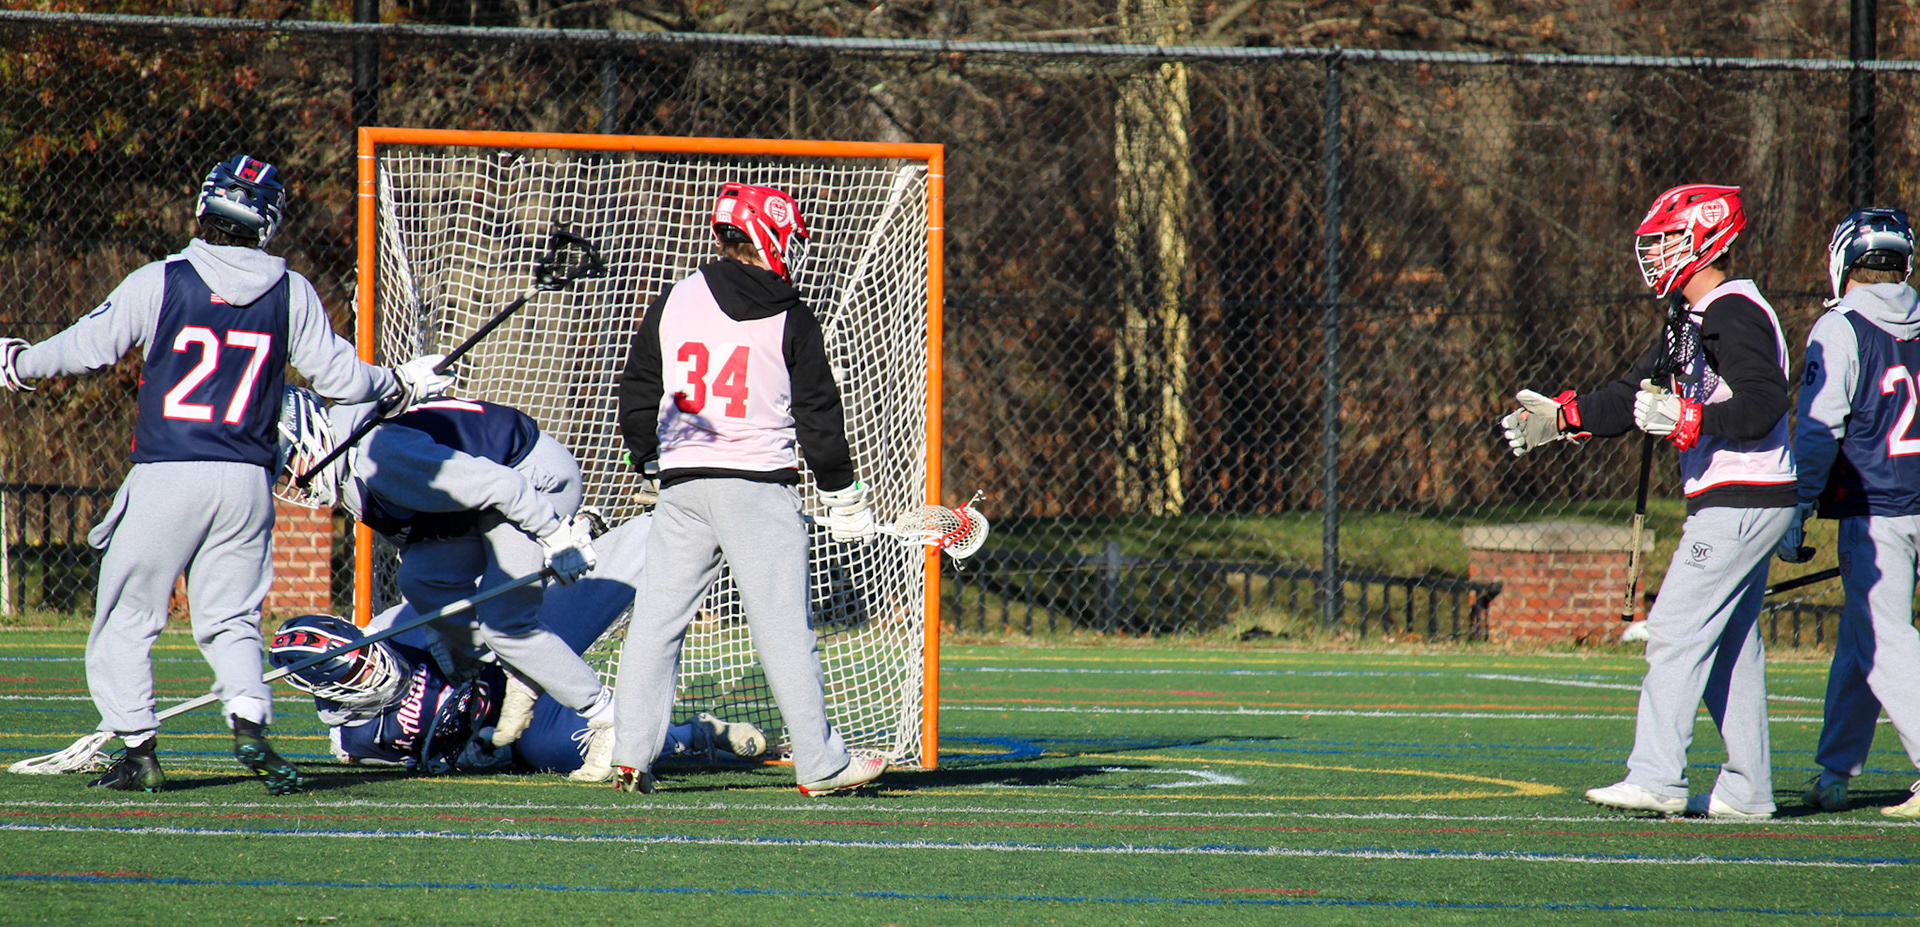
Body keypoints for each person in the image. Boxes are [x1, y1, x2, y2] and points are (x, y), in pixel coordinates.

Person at [0, 155, 450, 795]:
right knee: (232, 619)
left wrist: (19, 363)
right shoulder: (291, 290)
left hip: (168, 472)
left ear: (205, 206)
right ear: (267, 223)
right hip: (245, 482)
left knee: (128, 617)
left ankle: (139, 751)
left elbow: (86, 347)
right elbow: (343, 379)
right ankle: (249, 721)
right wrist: (398, 382)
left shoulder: (161, 279)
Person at [1500, 184, 1796, 819]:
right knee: (1730, 646)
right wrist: (1564, 417)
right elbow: (1632, 394)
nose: (1655, 254)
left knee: (1674, 631)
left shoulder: (1731, 311)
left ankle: (1657, 776)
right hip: (1744, 498)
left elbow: (1765, 402)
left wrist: (1690, 418)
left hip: (1741, 497)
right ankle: (1747, 790)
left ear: (1705, 238)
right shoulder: (1690, 317)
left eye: (1667, 240)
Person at [610, 182, 885, 796]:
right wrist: (842, 492)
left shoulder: (676, 297)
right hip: (758, 486)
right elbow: (818, 414)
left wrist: (647, 457)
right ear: (769, 236)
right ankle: (820, 764)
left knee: (656, 624)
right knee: (784, 631)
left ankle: (630, 754)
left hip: (683, 486)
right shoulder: (793, 315)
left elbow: (639, 384)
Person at [266, 514, 768, 779]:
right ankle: (694, 734)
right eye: (356, 674)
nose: (375, 669)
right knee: (573, 752)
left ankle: (691, 509)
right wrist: (465, 755)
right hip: (521, 728)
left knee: (631, 557)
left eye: (366, 655)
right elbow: (426, 758)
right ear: (334, 694)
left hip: (524, 649)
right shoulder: (356, 742)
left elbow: (481, 601)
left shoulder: (393, 628)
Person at [289, 386, 613, 752]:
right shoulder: (351, 470)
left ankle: (604, 714)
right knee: (421, 578)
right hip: (486, 503)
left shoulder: (380, 457)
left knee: (504, 623)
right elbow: (419, 538)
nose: (290, 478)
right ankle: (514, 669)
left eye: (290, 461)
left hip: (532, 480)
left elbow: (503, 485)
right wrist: (441, 630)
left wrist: (556, 535)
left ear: (311, 437)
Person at [1787, 207, 1920, 818]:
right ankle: (1836, 769)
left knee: (1884, 637)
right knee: (1862, 636)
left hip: (1877, 507)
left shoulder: (1840, 326)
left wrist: (1798, 504)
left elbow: (1820, 429)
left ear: (1844, 262)